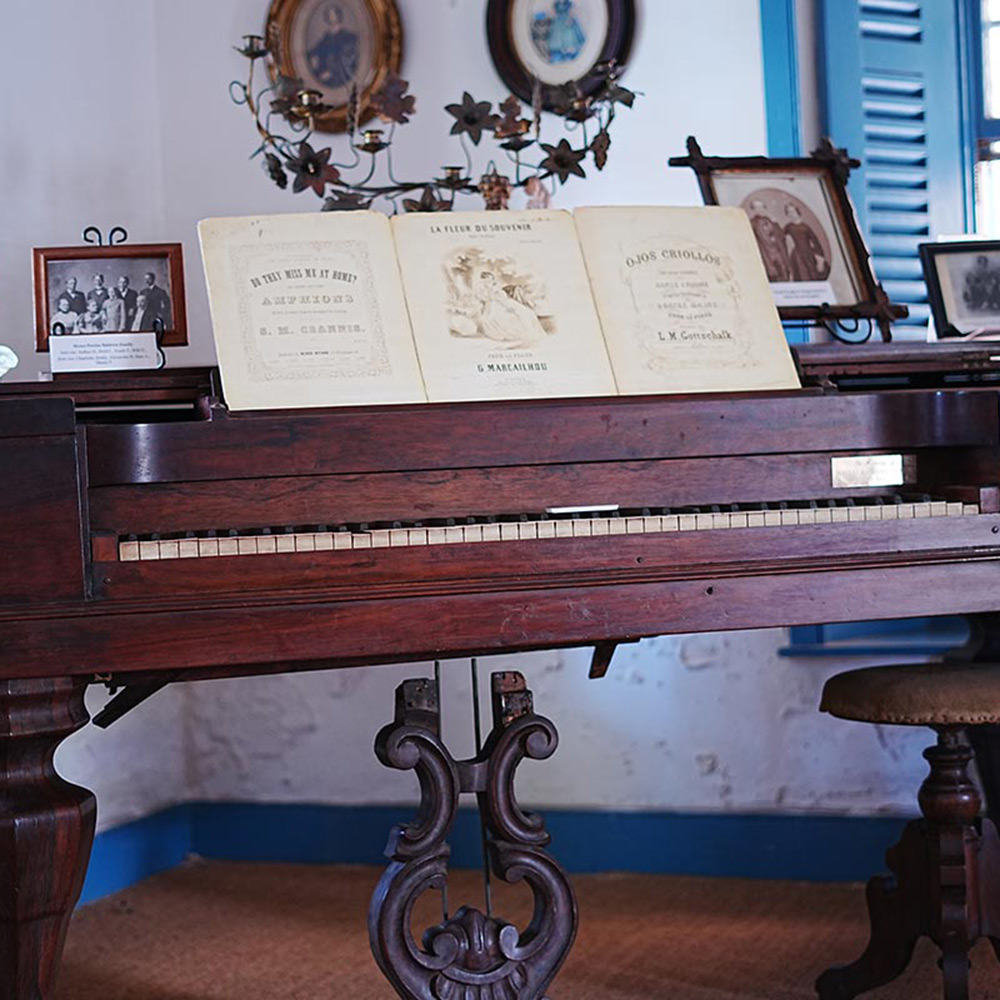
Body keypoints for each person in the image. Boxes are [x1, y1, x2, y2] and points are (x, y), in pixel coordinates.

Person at [473, 269, 547, 348]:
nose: (490, 281)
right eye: (488, 279)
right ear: (484, 279)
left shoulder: (495, 286)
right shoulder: (481, 288)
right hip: (493, 306)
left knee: (525, 312)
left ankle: (532, 332)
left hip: (504, 302)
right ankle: (521, 334)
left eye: (491, 279)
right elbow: (482, 297)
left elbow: (502, 295)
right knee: (505, 317)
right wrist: (492, 297)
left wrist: (499, 295)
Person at [307, 4, 359, 89]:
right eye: (329, 15)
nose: (330, 17)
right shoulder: (327, 37)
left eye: (332, 14)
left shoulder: (349, 38)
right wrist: (312, 58)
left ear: (338, 16)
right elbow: (315, 51)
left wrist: (332, 72)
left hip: (341, 79)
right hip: (325, 79)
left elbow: (349, 62)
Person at [746, 198, 790, 282]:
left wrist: (775, 224)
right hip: (765, 255)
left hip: (778, 253)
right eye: (756, 207)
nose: (760, 209)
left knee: (784, 273)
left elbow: (781, 236)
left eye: (761, 207)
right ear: (754, 210)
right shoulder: (752, 223)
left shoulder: (771, 221)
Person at [783, 203, 830, 281]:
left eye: (793, 211)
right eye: (789, 212)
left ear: (797, 212)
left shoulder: (805, 227)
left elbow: (815, 241)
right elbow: (784, 241)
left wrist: (819, 257)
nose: (791, 214)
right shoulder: (788, 227)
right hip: (796, 256)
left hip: (808, 254)